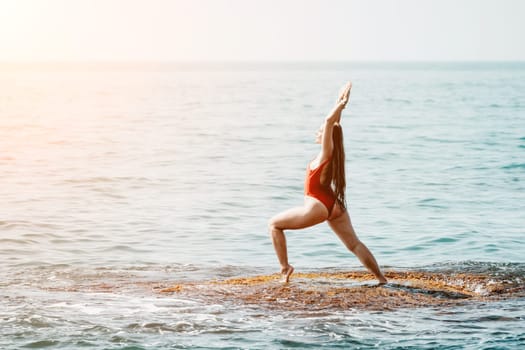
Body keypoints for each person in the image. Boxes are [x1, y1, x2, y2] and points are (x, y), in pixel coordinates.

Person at [268, 82, 388, 284]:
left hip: (318, 205)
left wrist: (341, 105)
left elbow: (330, 121)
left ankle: (285, 268)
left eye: (321, 130)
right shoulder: (331, 154)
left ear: (327, 137)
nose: (318, 131)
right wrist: (339, 102)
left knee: (274, 225)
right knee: (354, 244)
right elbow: (334, 124)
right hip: (334, 205)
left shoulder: (326, 153)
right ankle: (381, 278)